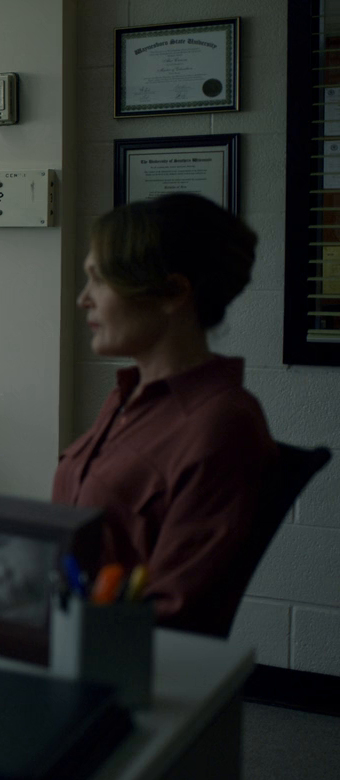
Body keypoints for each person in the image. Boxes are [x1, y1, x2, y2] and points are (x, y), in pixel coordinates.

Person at [53, 192, 276, 635]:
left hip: (109, 658)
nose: (83, 300)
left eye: (100, 280)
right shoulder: (126, 397)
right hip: (57, 636)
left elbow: (175, 614)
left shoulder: (222, 425)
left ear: (173, 292)